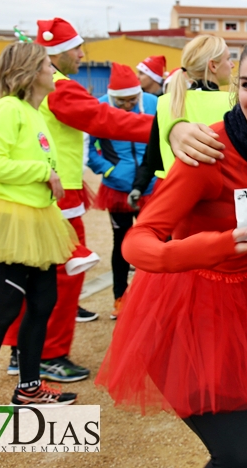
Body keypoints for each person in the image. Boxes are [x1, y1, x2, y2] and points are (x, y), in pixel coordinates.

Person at [96, 25, 247, 468]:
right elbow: (137, 243)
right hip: (185, 308)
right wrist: (213, 245)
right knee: (239, 452)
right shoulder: (207, 153)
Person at [3, 18, 153, 384]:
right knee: (63, 276)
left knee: (34, 273)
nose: (82, 54)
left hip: (46, 189)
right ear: (56, 54)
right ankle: (50, 354)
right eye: (76, 48)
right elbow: (103, 119)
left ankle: (20, 351)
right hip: (60, 191)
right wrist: (162, 127)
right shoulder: (59, 86)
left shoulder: (41, 86)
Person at [0, 42, 79, 434]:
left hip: (36, 221)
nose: (54, 70)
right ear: (31, 71)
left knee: (43, 302)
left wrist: (49, 182)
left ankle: (30, 389)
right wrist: (41, 173)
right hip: (9, 222)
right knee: (3, 311)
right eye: (48, 65)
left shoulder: (34, 113)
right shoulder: (7, 109)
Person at [85, 63, 158, 319]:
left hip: (152, 187)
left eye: (131, 100)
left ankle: (156, 299)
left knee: (156, 243)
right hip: (116, 187)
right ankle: (120, 298)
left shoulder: (153, 103)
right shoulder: (100, 106)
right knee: (122, 244)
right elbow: (89, 147)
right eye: (122, 101)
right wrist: (108, 171)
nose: (127, 106)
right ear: (112, 97)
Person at [128, 35, 233, 208]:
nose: (232, 64)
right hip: (219, 199)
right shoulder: (233, 102)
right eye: (228, 59)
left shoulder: (165, 102)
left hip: (174, 198)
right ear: (213, 65)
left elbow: (155, 161)